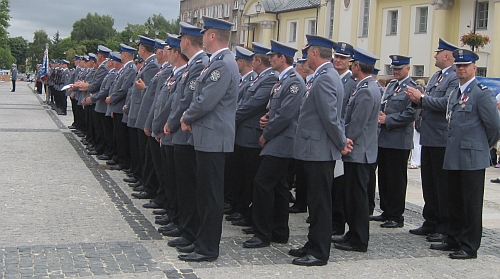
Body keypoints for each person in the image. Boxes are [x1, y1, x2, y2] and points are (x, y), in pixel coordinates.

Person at [177, 16, 239, 262]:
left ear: (213, 36)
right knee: (205, 194)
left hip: (214, 138)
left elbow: (205, 100)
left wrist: (186, 117)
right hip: (208, 136)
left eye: (204, 33)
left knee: (211, 196)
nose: (201, 38)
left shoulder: (223, 64)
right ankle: (202, 242)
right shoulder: (217, 62)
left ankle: (207, 248)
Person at [429, 49, 500, 259]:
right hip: (453, 155)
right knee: (454, 200)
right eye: (458, 66)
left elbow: (495, 126)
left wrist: (485, 145)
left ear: (474, 68)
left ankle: (469, 245)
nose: (461, 69)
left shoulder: (481, 93)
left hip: (472, 157)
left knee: (471, 203)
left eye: (465, 66)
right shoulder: (455, 93)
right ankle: (453, 237)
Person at [289, 34, 351, 266]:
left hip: (320, 150)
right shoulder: (322, 76)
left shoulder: (325, 78)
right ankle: (313, 243)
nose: (306, 57)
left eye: (307, 53)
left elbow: (330, 117)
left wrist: (341, 143)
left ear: (315, 53)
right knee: (315, 202)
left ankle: (319, 251)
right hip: (313, 148)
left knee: (320, 203)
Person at [242, 40, 303, 249]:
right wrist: (267, 117)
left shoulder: (294, 82)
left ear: (282, 58)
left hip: (282, 142)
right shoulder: (282, 81)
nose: (270, 60)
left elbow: (286, 115)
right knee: (278, 186)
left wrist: (266, 133)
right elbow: (277, 110)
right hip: (277, 139)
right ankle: (278, 231)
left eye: (273, 56)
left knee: (262, 183)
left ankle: (262, 233)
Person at [405, 38, 459, 243]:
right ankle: (431, 220)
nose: (435, 55)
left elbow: (447, 103)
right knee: (428, 182)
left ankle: (443, 225)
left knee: (441, 185)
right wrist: (418, 100)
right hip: (428, 136)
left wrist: (422, 99)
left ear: (447, 55)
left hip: (441, 138)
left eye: (438, 52)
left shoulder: (453, 78)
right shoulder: (437, 75)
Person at [332, 47, 380, 253]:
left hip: (359, 152)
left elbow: (357, 125)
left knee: (358, 199)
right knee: (352, 196)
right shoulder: (363, 87)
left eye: (353, 64)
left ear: (357, 66)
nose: (351, 68)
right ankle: (352, 234)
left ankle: (359, 239)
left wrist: (344, 142)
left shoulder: (367, 90)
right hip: (358, 151)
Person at [372, 55, 421, 228]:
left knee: (396, 179)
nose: (396, 71)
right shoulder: (391, 86)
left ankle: (396, 215)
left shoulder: (413, 88)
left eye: (399, 68)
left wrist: (389, 120)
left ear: (408, 68)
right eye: (394, 68)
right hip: (383, 138)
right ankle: (386, 210)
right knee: (384, 178)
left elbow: (411, 114)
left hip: (399, 140)